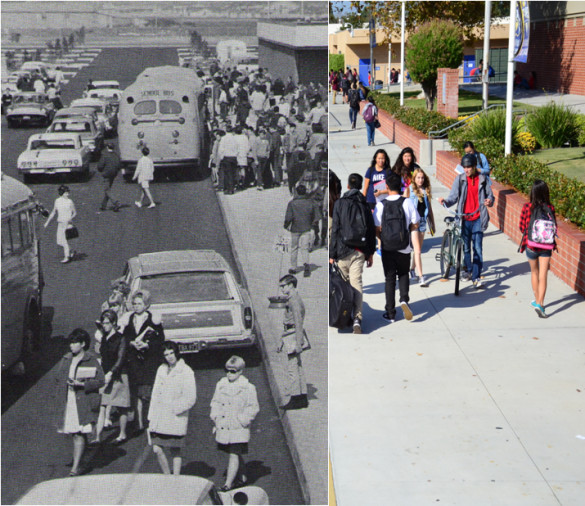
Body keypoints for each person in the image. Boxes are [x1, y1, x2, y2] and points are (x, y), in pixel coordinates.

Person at [329, 173, 377, 334]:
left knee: (342, 285)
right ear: (361, 185)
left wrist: (332, 253)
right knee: (357, 284)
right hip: (359, 251)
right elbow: (370, 230)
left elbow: (335, 229)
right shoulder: (364, 204)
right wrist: (370, 252)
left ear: (348, 186)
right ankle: (357, 318)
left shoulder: (339, 204)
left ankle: (343, 315)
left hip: (342, 250)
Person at [439, 154, 495, 289]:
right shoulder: (460, 179)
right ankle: (468, 271)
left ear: (475, 166)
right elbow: (453, 197)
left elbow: (490, 195)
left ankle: (476, 277)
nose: (466, 170)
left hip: (478, 217)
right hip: (464, 218)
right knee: (466, 248)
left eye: (469, 167)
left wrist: (489, 201)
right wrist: (445, 202)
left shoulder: (483, 179)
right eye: (464, 167)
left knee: (478, 248)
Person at [54, 328, 105, 476]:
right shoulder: (66, 359)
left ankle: (75, 467)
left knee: (78, 433)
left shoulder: (91, 360)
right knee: (74, 432)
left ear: (83, 344)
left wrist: (83, 384)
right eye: (71, 342)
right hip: (69, 400)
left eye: (75, 342)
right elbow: (58, 378)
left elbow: (101, 380)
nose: (71, 345)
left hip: (83, 402)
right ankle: (82, 457)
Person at [374, 172, 420, 323]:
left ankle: (390, 313)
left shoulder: (381, 205)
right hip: (404, 246)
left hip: (388, 247)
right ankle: (404, 299)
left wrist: (381, 239)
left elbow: (377, 227)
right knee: (404, 274)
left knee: (389, 279)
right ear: (401, 186)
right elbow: (416, 222)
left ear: (386, 187)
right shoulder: (407, 202)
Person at [210, 355, 259, 491]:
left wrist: (242, 420)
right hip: (224, 425)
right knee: (234, 453)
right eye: (227, 370)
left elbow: (253, 407)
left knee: (234, 453)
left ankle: (228, 484)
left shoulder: (248, 388)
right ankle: (242, 477)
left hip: (238, 427)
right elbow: (215, 402)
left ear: (240, 371)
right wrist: (216, 417)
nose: (229, 374)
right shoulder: (221, 385)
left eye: (233, 371)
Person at [148, 341, 197, 475]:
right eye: (166, 354)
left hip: (175, 418)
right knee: (157, 448)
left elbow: (191, 397)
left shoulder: (186, 371)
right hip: (159, 417)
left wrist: (175, 408)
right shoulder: (161, 369)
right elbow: (155, 393)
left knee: (175, 450)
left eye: (171, 353)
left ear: (176, 353)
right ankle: (167, 476)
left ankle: (175, 478)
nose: (170, 357)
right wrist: (151, 415)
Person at [121, 290, 164, 433]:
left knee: (148, 392)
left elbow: (160, 341)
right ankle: (139, 423)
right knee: (136, 393)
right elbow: (124, 338)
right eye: (134, 303)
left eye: (139, 303)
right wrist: (131, 343)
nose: (136, 306)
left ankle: (151, 421)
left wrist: (148, 345)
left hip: (149, 361)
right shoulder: (128, 319)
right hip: (134, 361)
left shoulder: (154, 320)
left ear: (146, 305)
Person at [519, 180, 556, 318]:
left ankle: (536, 301)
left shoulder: (527, 207)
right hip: (546, 246)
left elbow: (522, 226)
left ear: (532, 192)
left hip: (531, 245)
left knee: (534, 273)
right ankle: (540, 303)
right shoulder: (550, 208)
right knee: (543, 275)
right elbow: (554, 227)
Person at [93, 310, 131, 445]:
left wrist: (111, 373)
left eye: (107, 323)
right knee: (103, 404)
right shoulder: (104, 338)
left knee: (121, 406)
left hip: (119, 375)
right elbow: (103, 357)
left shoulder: (121, 338)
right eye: (103, 323)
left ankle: (122, 434)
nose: (104, 326)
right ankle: (97, 437)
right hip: (106, 374)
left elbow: (121, 359)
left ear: (114, 323)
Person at [277, 274, 309, 410]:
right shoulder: (294, 297)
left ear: (291, 285)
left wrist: (299, 342)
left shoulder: (293, 300)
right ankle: (302, 397)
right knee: (298, 366)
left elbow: (297, 320)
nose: (282, 289)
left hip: (293, 334)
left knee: (292, 368)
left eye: (283, 286)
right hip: (292, 333)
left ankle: (295, 398)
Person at [284, 184, 320, 278]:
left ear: (297, 192)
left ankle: (293, 268)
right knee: (304, 248)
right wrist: (313, 225)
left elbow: (288, 217)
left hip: (295, 228)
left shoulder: (292, 203)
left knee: (294, 248)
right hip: (307, 228)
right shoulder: (311, 202)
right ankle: (306, 265)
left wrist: (286, 225)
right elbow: (317, 216)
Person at [409, 168, 435, 287]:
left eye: (422, 178)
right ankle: (421, 277)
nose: (420, 180)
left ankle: (412, 269)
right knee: (418, 250)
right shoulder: (410, 190)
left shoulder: (426, 191)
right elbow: (405, 206)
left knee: (417, 250)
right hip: (413, 223)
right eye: (418, 177)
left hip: (423, 222)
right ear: (414, 178)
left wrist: (432, 223)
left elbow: (429, 209)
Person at [44, 184, 77, 263]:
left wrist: (70, 218)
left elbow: (75, 212)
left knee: (65, 240)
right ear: (61, 193)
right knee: (59, 241)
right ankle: (71, 250)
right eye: (65, 193)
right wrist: (47, 222)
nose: (67, 194)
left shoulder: (70, 202)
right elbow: (53, 212)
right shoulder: (57, 201)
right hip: (60, 223)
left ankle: (67, 257)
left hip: (67, 223)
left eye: (68, 192)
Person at [97, 143, 122, 212]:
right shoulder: (116, 155)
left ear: (107, 147)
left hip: (106, 174)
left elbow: (100, 166)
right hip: (113, 174)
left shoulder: (105, 155)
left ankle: (116, 202)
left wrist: (101, 170)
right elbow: (119, 165)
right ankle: (103, 205)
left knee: (107, 190)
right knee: (108, 189)